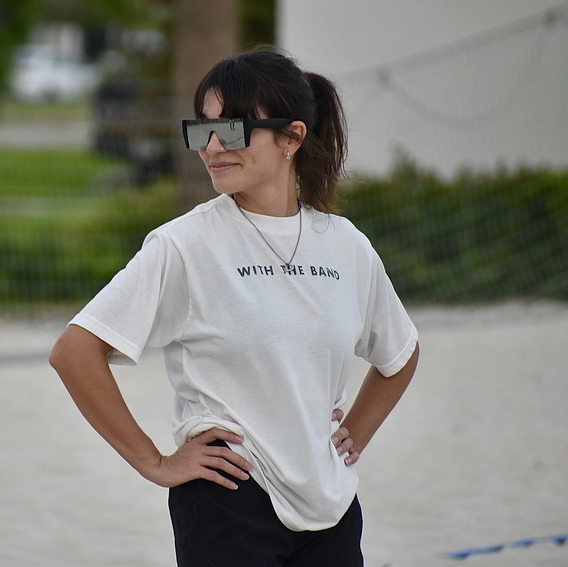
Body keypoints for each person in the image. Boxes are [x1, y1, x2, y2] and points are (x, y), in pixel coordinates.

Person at [49, 47, 419, 567]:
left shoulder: (345, 245)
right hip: (229, 497)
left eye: (232, 129)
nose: (212, 147)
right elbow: (74, 352)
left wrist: (354, 434)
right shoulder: (185, 244)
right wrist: (154, 462)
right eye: (202, 129)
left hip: (331, 505)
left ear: (292, 137)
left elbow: (400, 354)